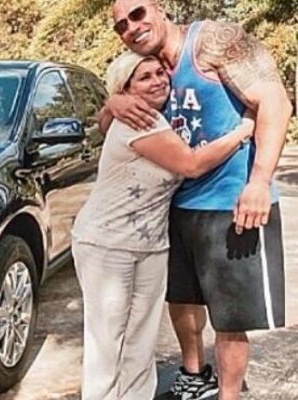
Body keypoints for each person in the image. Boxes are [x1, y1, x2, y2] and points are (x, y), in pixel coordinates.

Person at [98, 1, 293, 399]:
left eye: (138, 14)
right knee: (183, 300)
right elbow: (105, 126)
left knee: (230, 318)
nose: (131, 27)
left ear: (160, 9)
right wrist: (112, 104)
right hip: (177, 206)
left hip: (231, 203)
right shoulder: (146, 69)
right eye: (121, 26)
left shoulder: (213, 41)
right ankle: (193, 374)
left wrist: (259, 181)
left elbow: (276, 102)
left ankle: (229, 394)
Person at [71, 50, 254, 400]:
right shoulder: (137, 121)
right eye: (144, 77)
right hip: (106, 243)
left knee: (141, 339)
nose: (157, 81)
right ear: (126, 88)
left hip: (151, 244)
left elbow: (104, 121)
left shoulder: (158, 116)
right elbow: (191, 164)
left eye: (160, 73)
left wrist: (112, 104)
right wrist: (243, 130)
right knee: (107, 341)